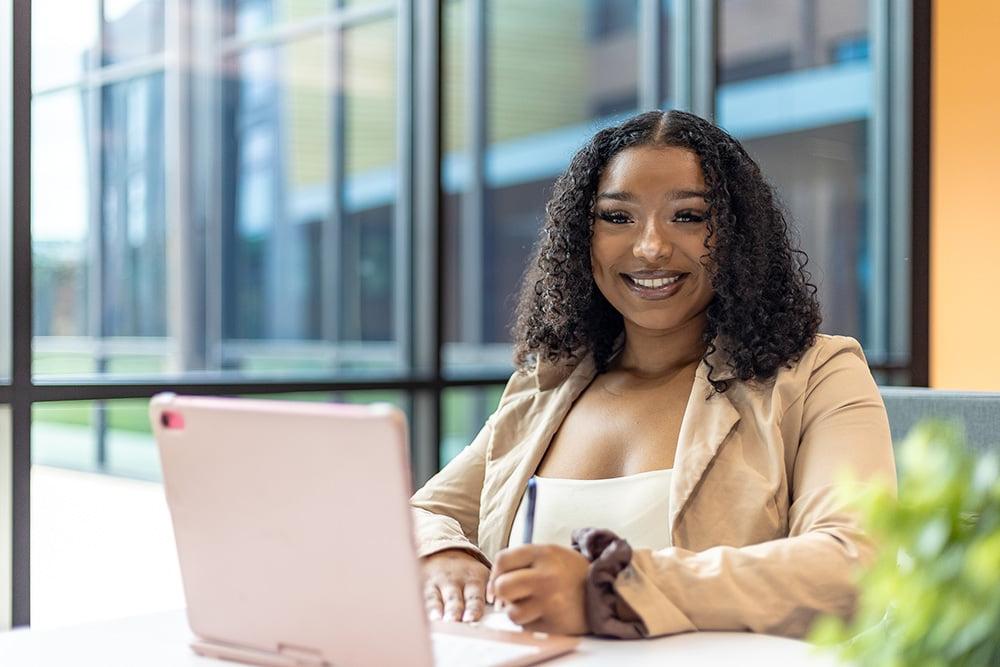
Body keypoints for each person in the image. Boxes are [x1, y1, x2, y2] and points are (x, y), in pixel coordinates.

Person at [411, 109, 897, 639]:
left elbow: (852, 563)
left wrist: (611, 590)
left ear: (736, 235)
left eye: (688, 216)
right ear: (583, 236)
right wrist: (445, 551)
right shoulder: (548, 383)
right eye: (617, 217)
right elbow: (422, 512)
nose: (650, 247)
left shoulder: (819, 374)